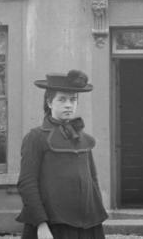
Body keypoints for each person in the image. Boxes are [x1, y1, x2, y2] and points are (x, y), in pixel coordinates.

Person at [17, 69, 108, 239]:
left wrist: (95, 216)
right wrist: (41, 224)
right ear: (50, 103)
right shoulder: (35, 138)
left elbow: (92, 180)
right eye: (62, 99)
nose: (68, 104)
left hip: (87, 226)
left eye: (73, 100)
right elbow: (27, 184)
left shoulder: (82, 138)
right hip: (54, 225)